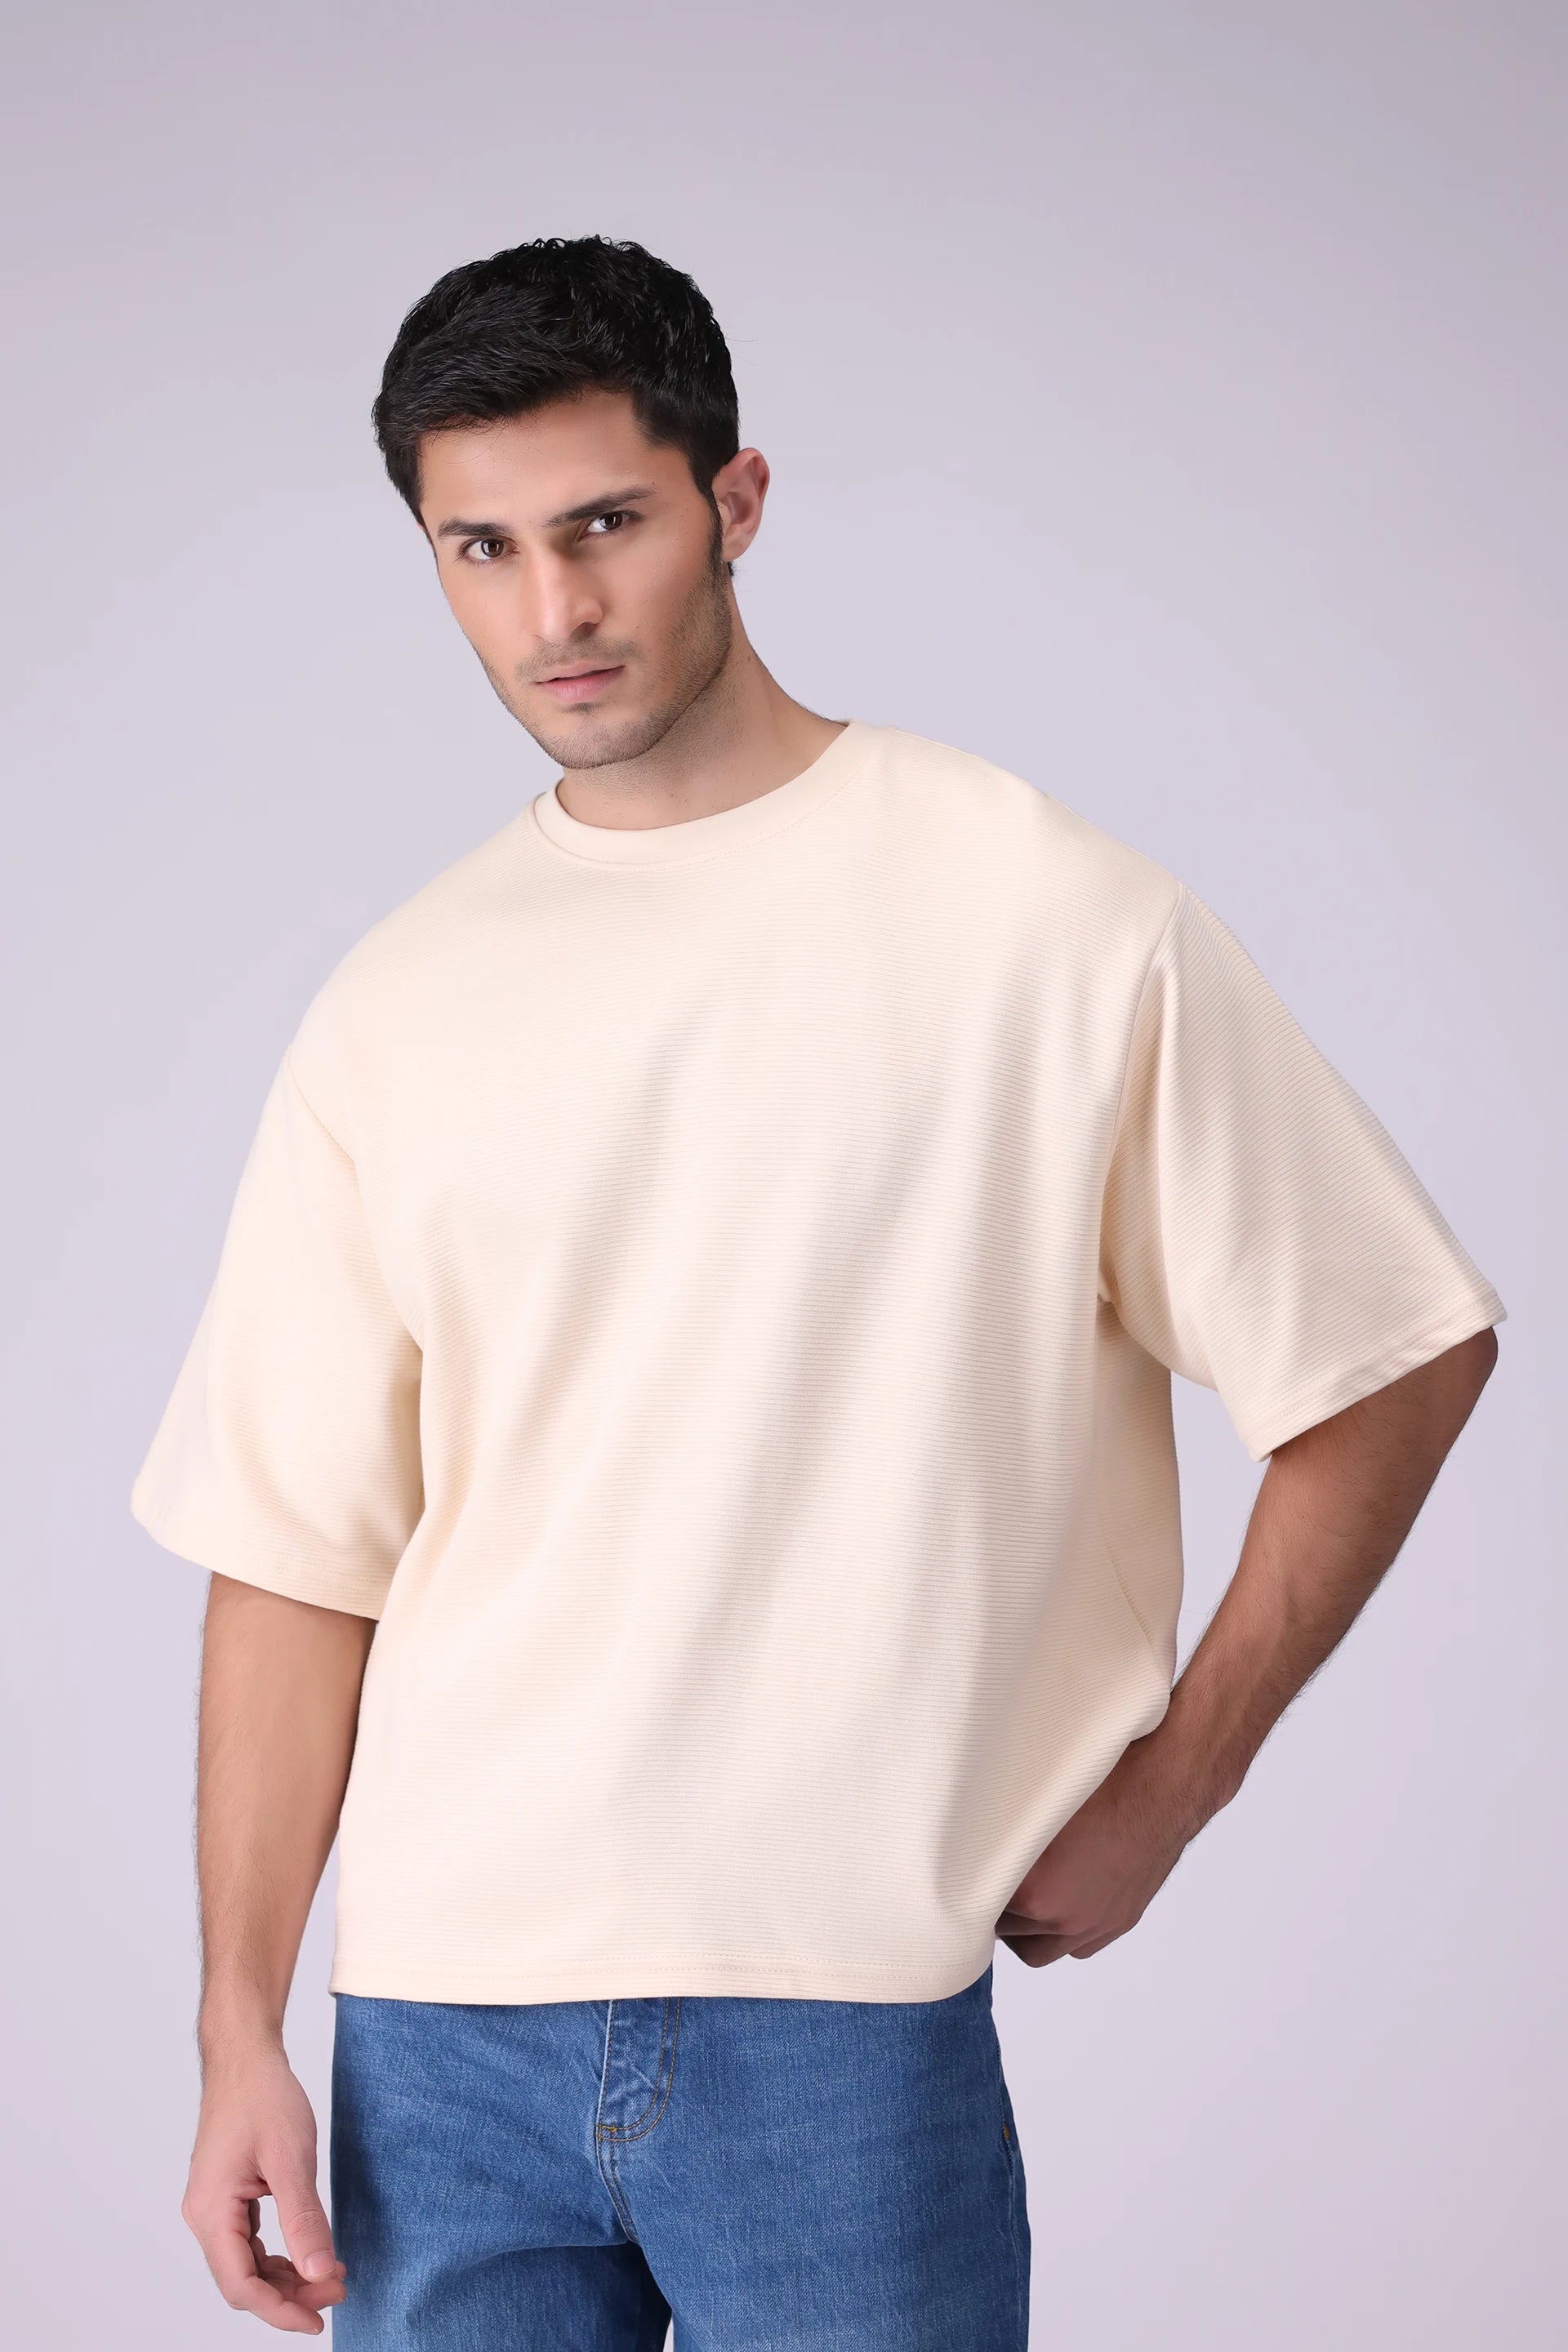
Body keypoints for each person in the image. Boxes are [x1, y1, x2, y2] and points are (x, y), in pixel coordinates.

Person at [130, 234, 1503, 2349]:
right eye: (482, 550)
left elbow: (1392, 1349)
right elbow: (295, 1558)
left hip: (840, 2014)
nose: (553, 611)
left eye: (604, 524)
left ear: (735, 501)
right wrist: (242, 2027)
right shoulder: (398, 1005)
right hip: (439, 2038)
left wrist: (1181, 1780)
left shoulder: (1041, 916)